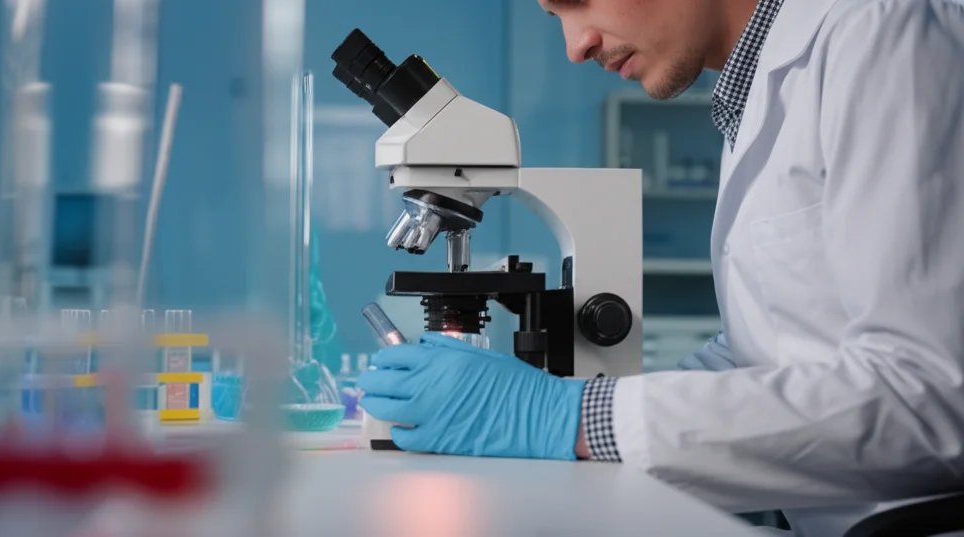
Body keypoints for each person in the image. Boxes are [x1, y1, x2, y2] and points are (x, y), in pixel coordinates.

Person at [356, 0, 964, 535]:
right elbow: (772, 352)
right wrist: (567, 411)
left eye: (578, 2)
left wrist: (561, 418)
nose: (576, 47)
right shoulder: (753, 98)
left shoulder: (884, 30)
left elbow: (931, 398)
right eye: (555, 17)